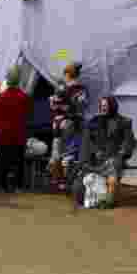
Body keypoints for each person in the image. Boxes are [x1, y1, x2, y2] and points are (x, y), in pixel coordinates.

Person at [73, 96, 136, 207]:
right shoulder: (94, 121)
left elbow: (129, 142)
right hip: (94, 161)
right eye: (102, 106)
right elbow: (87, 141)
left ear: (113, 106)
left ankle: (109, 200)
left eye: (106, 106)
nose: (103, 108)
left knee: (112, 174)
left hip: (113, 160)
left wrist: (120, 155)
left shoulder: (124, 122)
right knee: (78, 189)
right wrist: (94, 151)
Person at [50, 63, 90, 191]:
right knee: (74, 153)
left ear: (67, 74)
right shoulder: (82, 89)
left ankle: (60, 182)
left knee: (58, 153)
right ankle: (70, 181)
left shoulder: (62, 88)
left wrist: (53, 101)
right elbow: (83, 105)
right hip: (78, 123)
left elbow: (54, 106)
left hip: (62, 123)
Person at [0, 67, 33, 193]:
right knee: (19, 161)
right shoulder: (24, 97)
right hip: (18, 133)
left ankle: (3, 185)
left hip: (2, 133)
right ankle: (18, 186)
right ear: (19, 79)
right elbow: (28, 115)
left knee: (3, 160)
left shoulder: (0, 97)